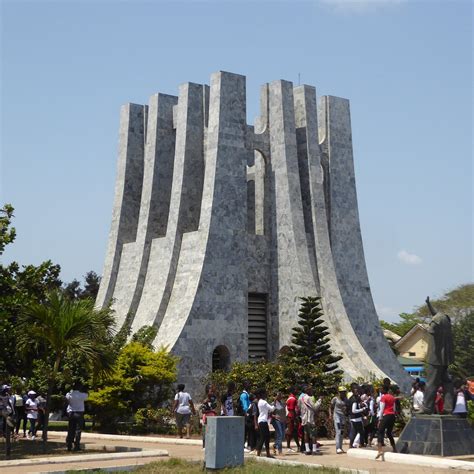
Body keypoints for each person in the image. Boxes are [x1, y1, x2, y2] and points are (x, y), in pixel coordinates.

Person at [423, 296, 454, 414]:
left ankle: (427, 408)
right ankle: (448, 408)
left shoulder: (436, 320)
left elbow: (432, 329)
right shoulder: (445, 318)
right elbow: (435, 315)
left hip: (435, 358)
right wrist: (428, 304)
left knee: (431, 383)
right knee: (447, 382)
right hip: (446, 358)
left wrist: (429, 328)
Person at [298, 385, 322, 455]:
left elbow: (299, 407)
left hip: (304, 419)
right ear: (307, 391)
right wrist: (319, 400)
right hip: (310, 419)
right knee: (313, 434)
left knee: (306, 434)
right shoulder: (309, 398)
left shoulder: (300, 398)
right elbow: (315, 407)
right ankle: (314, 450)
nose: (312, 391)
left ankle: (307, 449)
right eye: (311, 390)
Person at [375, 385, 397, 459]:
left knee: (380, 432)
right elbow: (394, 409)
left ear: (384, 390)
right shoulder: (392, 397)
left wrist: (380, 419)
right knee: (389, 433)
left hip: (386, 415)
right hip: (392, 416)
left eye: (381, 389)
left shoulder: (383, 397)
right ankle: (394, 448)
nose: (380, 390)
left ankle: (380, 450)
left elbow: (382, 409)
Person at [66, 383, 88, 451]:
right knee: (78, 430)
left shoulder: (69, 394)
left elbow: (67, 399)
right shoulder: (82, 395)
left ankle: (69, 445)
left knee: (71, 429)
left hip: (72, 413)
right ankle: (77, 445)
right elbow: (87, 395)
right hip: (79, 413)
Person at [330, 386, 347, 454]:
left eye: (344, 392)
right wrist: (330, 414)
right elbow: (330, 406)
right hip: (337, 417)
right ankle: (338, 448)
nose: (343, 394)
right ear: (339, 392)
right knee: (338, 431)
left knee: (342, 432)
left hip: (343, 417)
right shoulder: (335, 399)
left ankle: (341, 447)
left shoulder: (346, 399)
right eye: (342, 392)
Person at [200, 384, 218, 448]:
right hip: (206, 417)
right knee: (205, 431)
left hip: (213, 416)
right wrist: (211, 411)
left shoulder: (214, 398)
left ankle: (211, 445)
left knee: (213, 431)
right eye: (210, 389)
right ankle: (204, 446)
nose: (212, 391)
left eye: (212, 390)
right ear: (207, 390)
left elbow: (215, 407)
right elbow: (203, 411)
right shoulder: (205, 399)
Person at [271, 390, 286, 456]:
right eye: (278, 395)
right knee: (279, 434)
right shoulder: (273, 404)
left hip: (283, 421)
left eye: (280, 395)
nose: (280, 396)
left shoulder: (282, 403)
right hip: (277, 421)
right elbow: (270, 413)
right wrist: (274, 416)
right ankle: (280, 451)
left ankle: (274, 445)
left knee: (282, 436)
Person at [285, 387, 300, 452]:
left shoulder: (292, 398)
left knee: (294, 432)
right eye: (296, 389)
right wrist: (294, 419)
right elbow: (291, 410)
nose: (297, 390)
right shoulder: (292, 399)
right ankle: (288, 447)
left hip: (292, 417)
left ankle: (298, 446)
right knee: (290, 432)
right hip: (291, 417)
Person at [239, 381, 251, 451]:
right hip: (246, 414)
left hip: (248, 414)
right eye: (247, 384)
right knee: (245, 430)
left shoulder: (247, 394)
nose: (249, 385)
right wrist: (247, 413)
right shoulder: (243, 395)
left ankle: (247, 444)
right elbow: (245, 405)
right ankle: (242, 445)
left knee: (248, 430)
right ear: (244, 385)